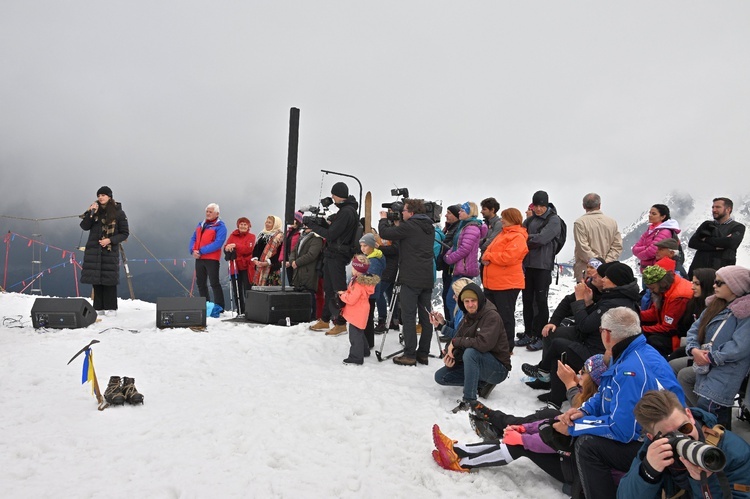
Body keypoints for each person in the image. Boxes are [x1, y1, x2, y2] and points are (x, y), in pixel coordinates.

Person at [554, 307, 686, 499]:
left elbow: (623, 430)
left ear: (606, 334)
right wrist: (583, 411)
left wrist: (575, 427)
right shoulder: (629, 352)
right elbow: (606, 390)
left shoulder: (631, 369)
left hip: (662, 446)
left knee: (586, 445)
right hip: (651, 436)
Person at [431, 354, 607, 487]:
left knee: (521, 446)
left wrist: (522, 439)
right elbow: (554, 423)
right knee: (541, 423)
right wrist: (524, 429)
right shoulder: (591, 402)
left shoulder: (592, 410)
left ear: (592, 382)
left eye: (582, 372)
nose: (578, 374)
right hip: (575, 460)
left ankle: (461, 460)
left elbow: (559, 439)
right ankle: (457, 450)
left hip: (581, 475)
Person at [525, 262, 640, 408]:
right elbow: (589, 318)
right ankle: (550, 386)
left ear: (615, 281)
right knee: (555, 337)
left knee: (559, 347)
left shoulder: (614, 300)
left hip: (599, 352)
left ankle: (547, 379)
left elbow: (585, 325)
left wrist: (581, 301)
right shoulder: (615, 295)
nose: (601, 279)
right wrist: (589, 303)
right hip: (595, 341)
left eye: (605, 277)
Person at [618, 389, 750, 498]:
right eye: (671, 436)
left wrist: (705, 482)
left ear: (689, 415)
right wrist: (648, 471)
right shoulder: (655, 450)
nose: (683, 437)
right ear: (652, 437)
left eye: (685, 428)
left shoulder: (733, 451)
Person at [681, 265, 750, 429]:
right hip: (706, 369)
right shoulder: (715, 305)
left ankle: (720, 451)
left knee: (714, 418)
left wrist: (710, 357)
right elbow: (694, 329)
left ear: (735, 286)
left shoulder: (745, 313)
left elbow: (739, 346)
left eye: (719, 283)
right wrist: (693, 349)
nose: (714, 286)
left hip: (725, 373)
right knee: (705, 412)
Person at [434, 282, 511, 410]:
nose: (470, 305)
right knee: (441, 376)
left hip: (498, 369)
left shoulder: (492, 316)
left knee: (471, 352)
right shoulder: (467, 315)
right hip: (478, 363)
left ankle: (470, 401)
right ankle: (481, 383)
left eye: (473, 300)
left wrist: (455, 343)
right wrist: (450, 356)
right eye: (467, 301)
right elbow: (457, 337)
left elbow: (482, 344)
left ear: (480, 300)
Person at [378, 198, 435, 366]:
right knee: (426, 317)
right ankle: (423, 353)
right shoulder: (429, 227)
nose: (402, 213)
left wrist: (383, 219)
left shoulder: (410, 226)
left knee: (408, 316)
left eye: (404, 210)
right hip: (426, 278)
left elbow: (385, 234)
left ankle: (410, 354)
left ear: (411, 212)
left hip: (410, 278)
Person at [305, 182, 359, 336]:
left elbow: (331, 235)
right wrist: (321, 223)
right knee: (329, 289)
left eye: (333, 194)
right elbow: (334, 231)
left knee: (338, 290)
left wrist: (313, 225)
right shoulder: (346, 211)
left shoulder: (347, 212)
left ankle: (341, 323)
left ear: (338, 195)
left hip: (338, 255)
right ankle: (325, 319)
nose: (332, 198)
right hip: (333, 254)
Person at [517, 190, 563, 351]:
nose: (538, 209)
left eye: (541, 206)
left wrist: (528, 239)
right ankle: (529, 333)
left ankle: (540, 336)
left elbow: (543, 238)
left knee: (541, 302)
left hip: (543, 266)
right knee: (527, 300)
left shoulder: (554, 220)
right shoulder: (531, 220)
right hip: (528, 265)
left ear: (546, 204)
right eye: (535, 206)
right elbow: (521, 236)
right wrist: (531, 239)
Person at [481, 207, 529, 351]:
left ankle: (507, 346)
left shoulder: (517, 236)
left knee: (505, 316)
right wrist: (486, 256)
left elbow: (508, 257)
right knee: (492, 315)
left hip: (507, 284)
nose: (501, 220)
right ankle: (495, 342)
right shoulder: (503, 233)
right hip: (494, 283)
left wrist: (488, 257)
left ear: (512, 219)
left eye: (504, 218)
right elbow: (489, 249)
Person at [80, 186, 129, 316]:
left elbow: (124, 233)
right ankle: (98, 308)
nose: (100, 197)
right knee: (96, 280)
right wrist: (90, 213)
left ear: (109, 196)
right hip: (94, 250)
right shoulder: (94, 211)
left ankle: (111, 309)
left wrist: (110, 240)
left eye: (103, 195)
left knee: (109, 280)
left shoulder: (118, 213)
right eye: (99, 195)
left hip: (109, 250)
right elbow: (84, 226)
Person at [442, 201, 486, 319]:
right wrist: (449, 253)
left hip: (464, 269)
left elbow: (464, 249)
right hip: (460, 268)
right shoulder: (465, 226)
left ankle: (458, 329)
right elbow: (457, 245)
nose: (459, 212)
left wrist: (449, 258)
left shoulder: (471, 228)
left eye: (462, 210)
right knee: (454, 300)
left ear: (469, 212)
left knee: (453, 301)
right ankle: (457, 329)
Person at [688, 197, 746, 277]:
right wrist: (715, 247)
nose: (714, 210)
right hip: (698, 271)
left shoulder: (738, 227)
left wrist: (705, 239)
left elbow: (730, 243)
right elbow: (693, 243)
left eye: (718, 207)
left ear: (728, 209)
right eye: (713, 207)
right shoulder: (707, 225)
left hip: (720, 273)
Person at [339, 255, 380, 365]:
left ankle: (356, 357)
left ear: (357, 269)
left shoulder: (359, 284)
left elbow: (352, 299)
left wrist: (342, 296)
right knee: (359, 332)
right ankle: (364, 351)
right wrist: (345, 293)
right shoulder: (359, 281)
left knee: (355, 336)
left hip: (357, 312)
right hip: (359, 311)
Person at [573, 193, 622, 281]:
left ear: (583, 206)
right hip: (607, 271)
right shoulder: (612, 222)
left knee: (586, 294)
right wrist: (605, 263)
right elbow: (617, 246)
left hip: (586, 270)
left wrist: (596, 264)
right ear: (599, 205)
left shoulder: (580, 223)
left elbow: (582, 248)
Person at [189, 203, 227, 311]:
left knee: (214, 282)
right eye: (207, 211)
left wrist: (201, 251)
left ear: (217, 213)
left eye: (211, 212)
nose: (208, 214)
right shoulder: (201, 224)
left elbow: (218, 243)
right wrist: (192, 250)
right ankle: (205, 305)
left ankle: (219, 306)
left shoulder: (221, 226)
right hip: (199, 258)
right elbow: (193, 238)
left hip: (212, 259)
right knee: (200, 283)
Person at [289, 219, 324, 321]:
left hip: (309, 270)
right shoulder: (302, 237)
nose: (305, 226)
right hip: (298, 270)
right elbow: (294, 251)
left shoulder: (317, 239)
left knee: (309, 293)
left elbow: (312, 255)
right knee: (299, 291)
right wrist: (292, 261)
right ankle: (300, 315)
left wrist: (297, 262)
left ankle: (311, 316)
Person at [632, 204, 681, 272]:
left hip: (658, 272)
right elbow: (634, 249)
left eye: (654, 214)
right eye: (650, 213)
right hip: (648, 270)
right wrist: (647, 247)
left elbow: (652, 251)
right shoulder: (650, 230)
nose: (650, 215)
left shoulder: (665, 231)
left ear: (663, 217)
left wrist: (640, 254)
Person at [223, 217, 256, 315]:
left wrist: (235, 246)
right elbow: (226, 246)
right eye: (241, 224)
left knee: (248, 289)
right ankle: (240, 310)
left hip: (247, 266)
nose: (243, 226)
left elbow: (248, 249)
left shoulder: (251, 236)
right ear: (238, 225)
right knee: (236, 290)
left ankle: (250, 310)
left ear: (248, 226)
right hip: (235, 265)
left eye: (245, 224)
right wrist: (227, 249)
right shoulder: (233, 235)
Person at [359, 233, 385, 350]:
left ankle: (368, 343)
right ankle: (368, 342)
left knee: (367, 318)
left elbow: (371, 278)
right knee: (367, 317)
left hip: (370, 294)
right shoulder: (371, 257)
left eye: (365, 246)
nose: (362, 248)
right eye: (361, 246)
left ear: (371, 246)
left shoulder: (374, 260)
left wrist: (358, 278)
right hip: (370, 294)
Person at [430, 277, 472, 341]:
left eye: (455, 294)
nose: (453, 297)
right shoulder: (460, 308)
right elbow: (456, 327)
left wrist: (440, 327)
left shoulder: (469, 313)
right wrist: (443, 322)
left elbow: (459, 336)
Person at [439, 205, 461, 322]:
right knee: (446, 296)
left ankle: (452, 327)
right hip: (447, 267)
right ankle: (450, 325)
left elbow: (453, 246)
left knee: (450, 298)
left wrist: (447, 258)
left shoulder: (457, 229)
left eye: (449, 213)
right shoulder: (449, 228)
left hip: (452, 267)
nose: (446, 215)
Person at [251, 215, 284, 287]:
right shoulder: (262, 235)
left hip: (272, 269)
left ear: (275, 224)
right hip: (260, 268)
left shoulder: (280, 237)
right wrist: (256, 260)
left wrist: (267, 262)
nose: (267, 224)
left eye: (269, 222)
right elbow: (256, 249)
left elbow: (280, 253)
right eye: (266, 222)